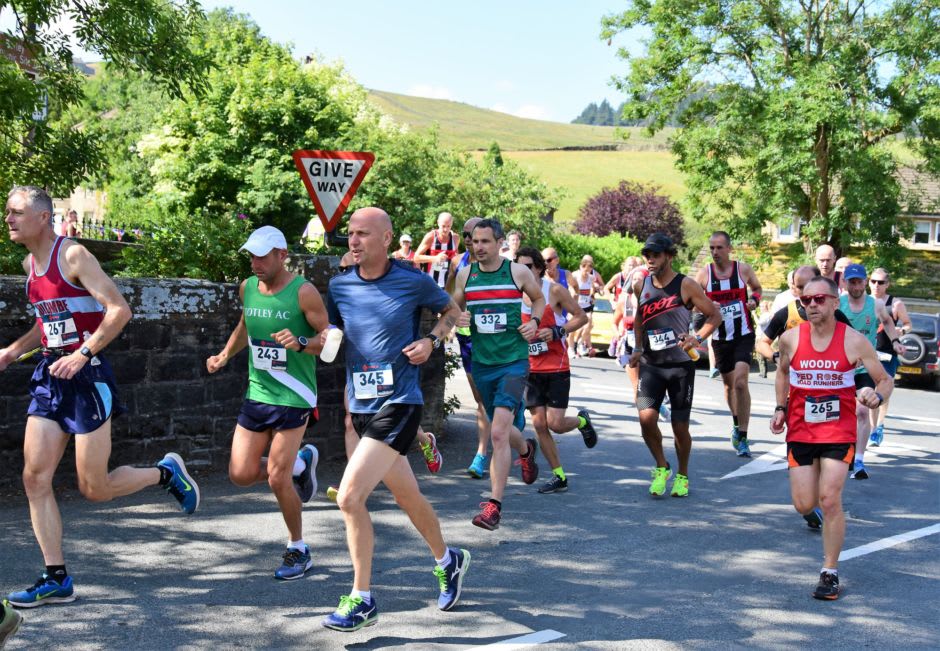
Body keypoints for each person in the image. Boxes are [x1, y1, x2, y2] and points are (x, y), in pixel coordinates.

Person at [1, 186, 199, 608]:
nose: (8, 218)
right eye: (7, 212)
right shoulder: (29, 265)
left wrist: (83, 353)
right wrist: (14, 350)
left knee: (95, 487)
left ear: (42, 216)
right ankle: (56, 577)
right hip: (50, 376)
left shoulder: (72, 255)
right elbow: (48, 323)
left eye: (16, 212)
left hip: (87, 376)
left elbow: (119, 310)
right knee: (34, 478)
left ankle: (165, 474)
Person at [322, 207, 469, 631]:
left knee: (350, 497)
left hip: (400, 403)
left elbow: (452, 313)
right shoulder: (340, 285)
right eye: (350, 234)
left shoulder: (412, 280)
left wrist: (430, 341)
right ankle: (448, 558)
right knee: (407, 496)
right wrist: (309, 341)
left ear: (386, 239)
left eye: (363, 234)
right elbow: (332, 336)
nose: (353, 241)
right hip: (362, 408)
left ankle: (361, 598)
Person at [206, 225, 328, 580]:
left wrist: (302, 341)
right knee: (240, 474)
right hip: (258, 391)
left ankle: (298, 548)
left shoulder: (303, 293)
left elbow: (329, 338)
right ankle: (300, 466)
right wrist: (225, 354)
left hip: (295, 393)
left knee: (276, 479)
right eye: (252, 256)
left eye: (263, 256)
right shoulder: (248, 287)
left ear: (282, 255)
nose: (256, 262)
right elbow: (246, 324)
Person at [770, 275, 894, 600]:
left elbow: (884, 380)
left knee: (830, 499)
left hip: (838, 430)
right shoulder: (791, 339)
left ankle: (830, 571)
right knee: (804, 503)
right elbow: (783, 372)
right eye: (806, 300)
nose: (811, 305)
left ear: (833, 302)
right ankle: (819, 516)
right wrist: (780, 408)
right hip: (800, 429)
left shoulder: (853, 340)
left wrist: (875, 398)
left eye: (819, 299)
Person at [452, 218, 543, 530]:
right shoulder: (465, 275)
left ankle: (494, 506)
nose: (478, 247)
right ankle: (527, 449)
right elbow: (451, 308)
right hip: (483, 363)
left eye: (485, 242)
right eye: (475, 241)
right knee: (499, 427)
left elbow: (540, 298)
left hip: (514, 362)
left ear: (500, 243)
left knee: (498, 433)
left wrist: (535, 322)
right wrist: (457, 316)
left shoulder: (517, 272)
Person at [628, 233, 720, 498]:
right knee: (646, 418)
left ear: (669, 256)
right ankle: (661, 466)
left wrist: (697, 337)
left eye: (656, 255)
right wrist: (637, 348)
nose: (650, 260)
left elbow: (715, 314)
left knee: (680, 427)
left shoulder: (686, 285)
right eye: (647, 255)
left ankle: (682, 474)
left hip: (680, 366)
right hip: (651, 364)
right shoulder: (641, 284)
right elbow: (638, 318)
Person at [515, 247, 595, 494]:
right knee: (539, 425)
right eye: (518, 266)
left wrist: (558, 331)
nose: (522, 271)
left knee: (556, 424)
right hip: (531, 369)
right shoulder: (514, 295)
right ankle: (559, 476)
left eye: (527, 266)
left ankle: (582, 420)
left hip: (556, 366)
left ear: (538, 267)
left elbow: (581, 317)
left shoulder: (554, 290)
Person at [694, 231, 763, 457]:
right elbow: (691, 302)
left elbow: (757, 289)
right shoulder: (704, 275)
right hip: (720, 337)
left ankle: (743, 435)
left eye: (719, 247)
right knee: (728, 386)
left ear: (729, 249)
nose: (715, 252)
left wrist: (753, 300)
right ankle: (736, 423)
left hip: (744, 333)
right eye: (712, 248)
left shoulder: (742, 270)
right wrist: (707, 305)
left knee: (741, 383)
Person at [838, 264, 905, 480]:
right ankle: (840, 452)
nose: (856, 286)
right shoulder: (837, 303)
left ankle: (858, 461)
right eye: (851, 282)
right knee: (838, 412)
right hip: (839, 367)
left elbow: (887, 321)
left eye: (859, 281)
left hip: (864, 367)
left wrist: (895, 341)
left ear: (865, 282)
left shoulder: (875, 304)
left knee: (862, 410)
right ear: (845, 282)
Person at [446, 216, 493, 480]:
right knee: (480, 398)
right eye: (464, 235)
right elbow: (449, 297)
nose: (467, 240)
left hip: (493, 339)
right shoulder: (458, 262)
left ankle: (481, 453)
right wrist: (448, 323)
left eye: (472, 235)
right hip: (467, 337)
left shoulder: (499, 265)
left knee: (488, 398)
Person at [867, 267, 912, 446]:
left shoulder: (895, 304)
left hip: (887, 353)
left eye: (881, 282)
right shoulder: (863, 301)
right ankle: (872, 429)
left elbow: (908, 324)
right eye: (873, 281)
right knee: (869, 389)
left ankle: (879, 425)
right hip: (868, 352)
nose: (876, 285)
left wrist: (902, 330)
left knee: (883, 391)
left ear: (887, 284)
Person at [569, 255, 605, 357]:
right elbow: (569, 285)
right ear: (581, 267)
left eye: (589, 269)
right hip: (575, 305)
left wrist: (596, 291)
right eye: (585, 269)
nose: (586, 272)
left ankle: (581, 342)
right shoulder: (575, 275)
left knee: (588, 324)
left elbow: (596, 287)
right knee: (573, 328)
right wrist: (573, 292)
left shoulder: (592, 277)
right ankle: (571, 348)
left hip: (586, 305)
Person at [413, 212, 460, 289]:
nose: (446, 229)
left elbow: (456, 257)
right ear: (438, 223)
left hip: (448, 283)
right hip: (430, 283)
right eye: (443, 226)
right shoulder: (431, 236)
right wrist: (435, 258)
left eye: (449, 226)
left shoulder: (455, 238)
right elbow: (416, 258)